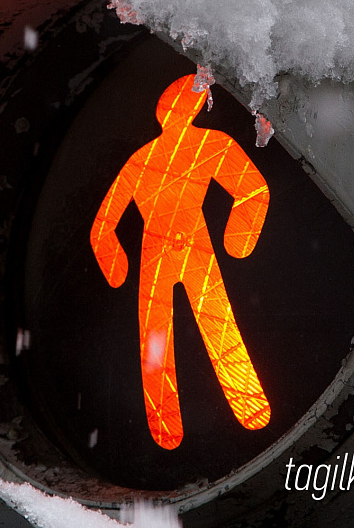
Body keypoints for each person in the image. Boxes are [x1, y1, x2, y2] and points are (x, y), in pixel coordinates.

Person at [90, 74, 271, 450]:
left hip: (184, 249)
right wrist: (114, 264)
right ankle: (169, 429)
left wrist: (238, 240)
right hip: (164, 251)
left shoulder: (195, 148)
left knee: (191, 333)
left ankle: (238, 413)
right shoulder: (191, 149)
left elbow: (253, 190)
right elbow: (103, 226)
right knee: (180, 336)